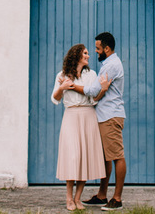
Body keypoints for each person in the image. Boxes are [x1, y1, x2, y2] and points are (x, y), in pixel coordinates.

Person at [52, 43, 106, 210]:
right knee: (73, 157)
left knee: (84, 157)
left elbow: (94, 97)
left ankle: (77, 199)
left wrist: (103, 89)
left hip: (88, 115)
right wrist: (62, 87)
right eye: (85, 53)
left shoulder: (92, 75)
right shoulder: (62, 75)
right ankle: (68, 198)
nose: (88, 56)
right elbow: (55, 98)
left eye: (88, 53)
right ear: (76, 55)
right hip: (71, 115)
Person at [82, 31, 125, 210]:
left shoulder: (111, 66)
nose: (95, 51)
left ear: (107, 48)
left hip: (110, 116)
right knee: (106, 158)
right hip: (104, 116)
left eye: (98, 48)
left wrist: (72, 86)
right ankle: (101, 195)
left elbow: (93, 90)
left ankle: (117, 198)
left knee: (117, 156)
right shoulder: (107, 64)